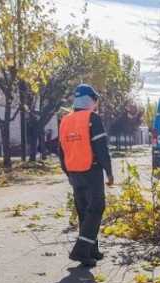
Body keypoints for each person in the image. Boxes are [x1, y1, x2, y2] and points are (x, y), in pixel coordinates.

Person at [58, 84, 113, 267]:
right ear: (92, 100)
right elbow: (101, 149)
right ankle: (81, 250)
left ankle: (92, 250)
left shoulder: (65, 120)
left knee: (84, 211)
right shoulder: (92, 118)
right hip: (91, 170)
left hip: (74, 172)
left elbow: (61, 150)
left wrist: (68, 172)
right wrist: (109, 172)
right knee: (97, 208)